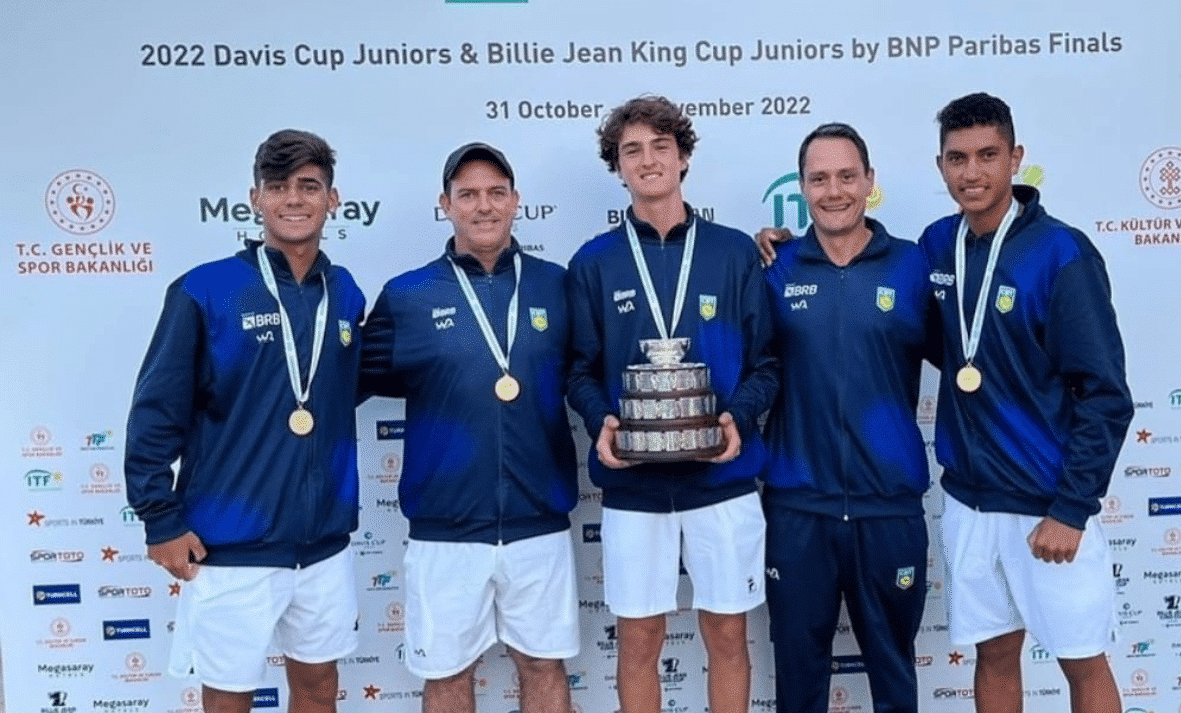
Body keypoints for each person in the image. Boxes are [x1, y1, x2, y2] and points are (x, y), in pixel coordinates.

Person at [124, 129, 365, 713]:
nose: (294, 199)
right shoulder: (205, 290)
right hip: (230, 542)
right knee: (229, 697)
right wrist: (159, 518)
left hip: (323, 543)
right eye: (278, 186)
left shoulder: (347, 293)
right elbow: (156, 410)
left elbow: (340, 390)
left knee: (318, 687)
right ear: (255, 198)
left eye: (309, 186)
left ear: (333, 199)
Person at [918, 92, 1132, 713]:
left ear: (1016, 158)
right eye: (958, 158)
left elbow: (1106, 395)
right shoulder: (937, 245)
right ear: (941, 167)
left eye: (988, 155)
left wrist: (1071, 507)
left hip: (1048, 503)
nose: (973, 172)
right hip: (969, 499)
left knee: (1083, 660)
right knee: (993, 653)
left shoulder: (1062, 254)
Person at [566, 95, 778, 713]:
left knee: (728, 634)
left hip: (724, 478)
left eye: (661, 146)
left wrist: (738, 419)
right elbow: (578, 371)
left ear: (683, 157)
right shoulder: (593, 262)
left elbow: (767, 363)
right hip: (636, 486)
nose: (648, 160)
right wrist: (600, 420)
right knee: (637, 639)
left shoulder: (735, 252)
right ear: (618, 166)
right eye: (632, 150)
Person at [361, 142, 579, 713]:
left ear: (515, 202)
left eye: (495, 193)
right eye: (468, 195)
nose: (483, 206)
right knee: (447, 674)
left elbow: (592, 373)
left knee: (544, 666)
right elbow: (341, 384)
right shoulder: (407, 296)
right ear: (445, 205)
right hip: (445, 530)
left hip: (539, 521)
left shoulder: (557, 286)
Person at [760, 123, 935, 713]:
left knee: (893, 677)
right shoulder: (774, 267)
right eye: (819, 179)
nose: (834, 190)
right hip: (798, 509)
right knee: (798, 681)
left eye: (846, 176)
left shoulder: (914, 267)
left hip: (888, 507)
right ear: (801, 188)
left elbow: (974, 363)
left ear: (869, 182)